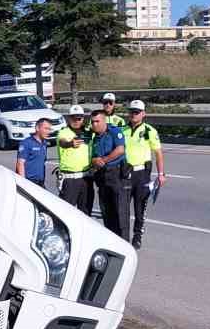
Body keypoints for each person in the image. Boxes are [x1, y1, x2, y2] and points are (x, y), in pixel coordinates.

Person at [121, 99, 165, 250]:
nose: (133, 115)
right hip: (125, 174)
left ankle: (137, 236)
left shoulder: (149, 131)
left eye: (137, 112)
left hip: (142, 175)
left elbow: (158, 153)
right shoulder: (122, 130)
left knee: (140, 208)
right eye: (131, 112)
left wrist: (161, 174)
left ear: (143, 114)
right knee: (123, 208)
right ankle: (123, 237)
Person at [89, 109, 127, 237]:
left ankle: (124, 243)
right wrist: (95, 160)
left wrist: (104, 160)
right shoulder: (96, 138)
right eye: (92, 122)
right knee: (106, 211)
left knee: (119, 212)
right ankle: (112, 240)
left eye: (97, 121)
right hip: (102, 176)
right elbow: (94, 156)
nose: (94, 124)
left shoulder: (114, 131)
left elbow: (120, 149)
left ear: (104, 120)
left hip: (115, 174)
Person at [54, 104, 93, 213]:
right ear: (68, 118)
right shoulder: (63, 132)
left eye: (79, 118)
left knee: (86, 212)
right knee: (67, 213)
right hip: (70, 179)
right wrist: (70, 143)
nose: (76, 121)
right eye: (73, 118)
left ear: (83, 119)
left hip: (86, 178)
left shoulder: (88, 132)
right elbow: (62, 142)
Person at [14, 118, 52, 188]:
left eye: (50, 129)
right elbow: (20, 163)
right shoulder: (26, 143)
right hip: (29, 182)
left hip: (40, 183)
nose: (48, 132)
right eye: (46, 129)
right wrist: (23, 183)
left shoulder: (44, 143)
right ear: (37, 128)